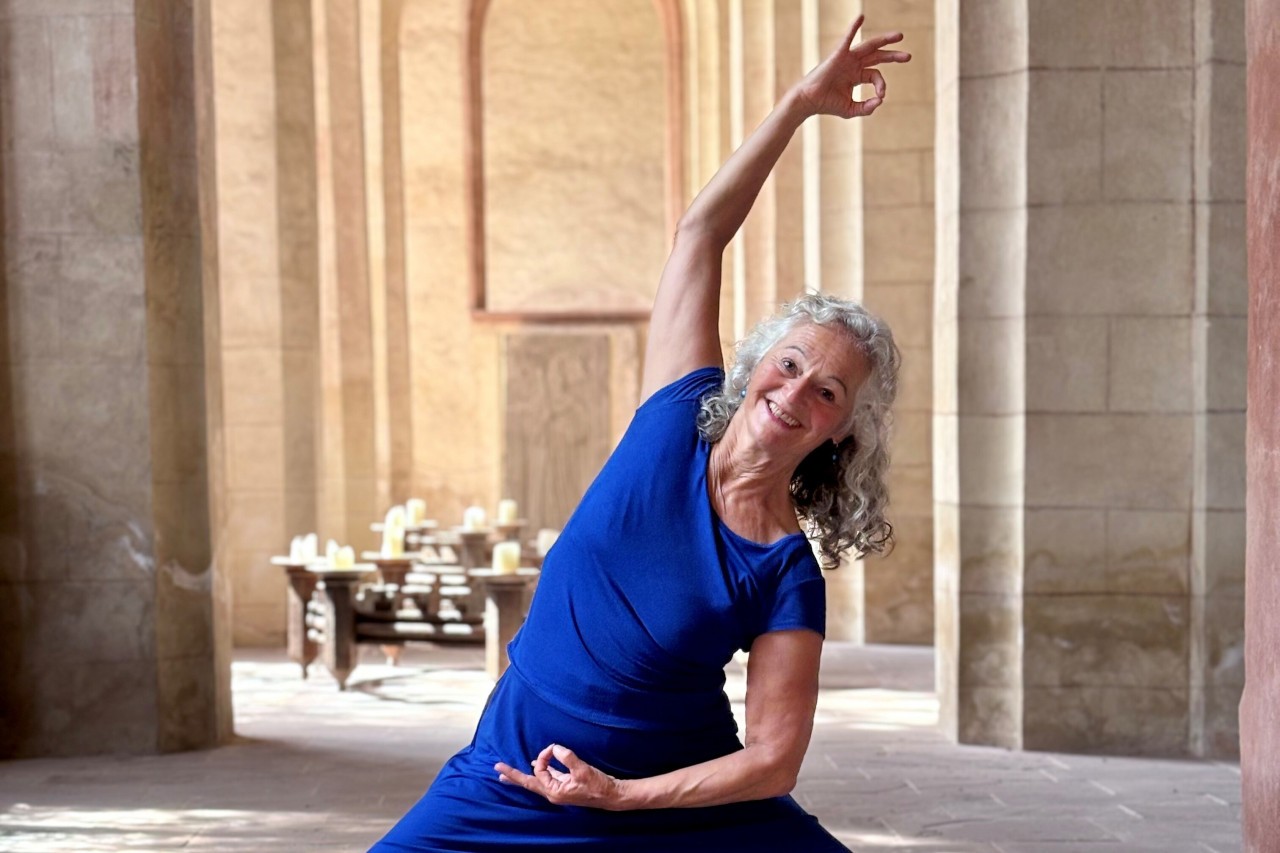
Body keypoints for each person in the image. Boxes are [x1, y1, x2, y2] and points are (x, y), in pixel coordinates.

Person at [371, 16, 908, 852]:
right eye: (791, 361)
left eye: (828, 388)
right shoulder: (674, 418)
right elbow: (700, 233)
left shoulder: (784, 571)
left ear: (840, 432)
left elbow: (772, 759)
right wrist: (799, 105)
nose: (797, 389)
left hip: (671, 794)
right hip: (517, 776)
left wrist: (621, 795)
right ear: (758, 362)